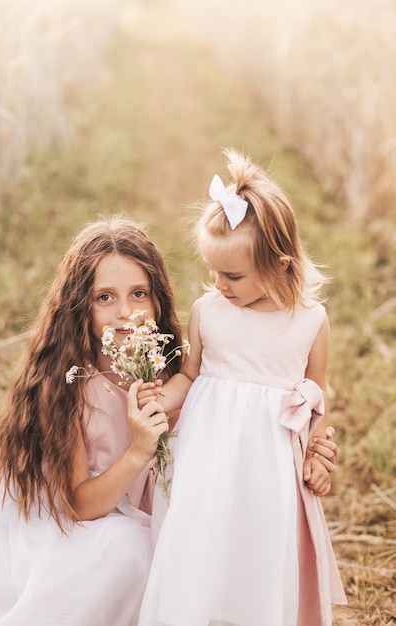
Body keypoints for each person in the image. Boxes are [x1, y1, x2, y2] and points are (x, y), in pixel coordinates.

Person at [137, 150, 347, 626]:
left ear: (280, 264)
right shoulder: (207, 311)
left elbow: (316, 391)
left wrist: (316, 453)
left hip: (269, 467)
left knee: (258, 549)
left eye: (232, 275)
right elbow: (189, 376)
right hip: (204, 458)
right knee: (199, 537)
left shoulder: (310, 321)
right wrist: (160, 400)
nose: (218, 284)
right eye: (211, 270)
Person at [0, 217, 183, 625]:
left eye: (139, 293)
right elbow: (79, 506)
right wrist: (138, 450)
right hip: (77, 516)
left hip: (145, 508)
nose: (126, 312)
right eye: (105, 298)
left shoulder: (169, 370)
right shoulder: (63, 384)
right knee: (128, 551)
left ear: (159, 300)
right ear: (80, 306)